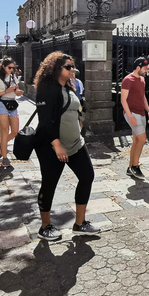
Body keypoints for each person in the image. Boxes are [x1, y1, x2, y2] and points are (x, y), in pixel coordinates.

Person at [33, 51, 99, 241]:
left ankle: (80, 224)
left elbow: (74, 110)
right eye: (68, 67)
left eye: (72, 66)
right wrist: (57, 145)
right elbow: (45, 121)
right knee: (49, 184)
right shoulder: (47, 89)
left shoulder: (68, 86)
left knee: (87, 176)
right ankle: (45, 226)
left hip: (76, 143)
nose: (72, 69)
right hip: (52, 146)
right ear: (55, 68)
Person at [0, 58, 23, 167]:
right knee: (5, 130)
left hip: (12, 104)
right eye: (9, 67)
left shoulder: (13, 77)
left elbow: (16, 90)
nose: (11, 69)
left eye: (13, 68)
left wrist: (18, 92)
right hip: (1, 104)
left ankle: (2, 144)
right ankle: (5, 158)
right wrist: (6, 91)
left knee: (15, 131)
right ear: (3, 67)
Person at [121, 57, 149, 179]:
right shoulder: (127, 80)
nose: (146, 70)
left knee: (136, 140)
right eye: (145, 68)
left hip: (141, 113)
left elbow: (142, 97)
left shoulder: (142, 80)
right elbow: (123, 100)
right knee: (143, 139)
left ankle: (130, 168)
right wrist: (130, 116)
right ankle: (135, 166)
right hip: (132, 113)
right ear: (138, 67)